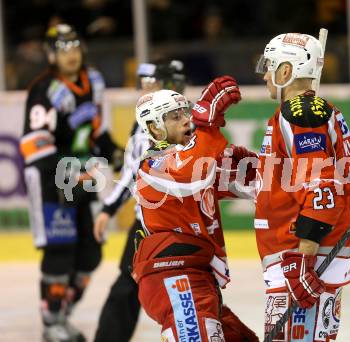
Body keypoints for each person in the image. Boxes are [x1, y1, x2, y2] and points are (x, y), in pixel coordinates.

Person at [253, 32, 350, 341]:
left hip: (304, 256)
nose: (265, 75)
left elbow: (322, 189)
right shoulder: (305, 112)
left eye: (270, 66)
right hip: (310, 254)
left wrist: (304, 260)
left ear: (286, 72)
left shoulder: (301, 114)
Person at [132, 80, 259, 341]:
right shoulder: (152, 167)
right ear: (155, 127)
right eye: (175, 116)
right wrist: (207, 121)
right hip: (173, 277)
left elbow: (260, 186)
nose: (186, 120)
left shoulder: (198, 158)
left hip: (195, 277)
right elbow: (192, 174)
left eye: (187, 113)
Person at [20, 24, 123, 342]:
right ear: (52, 54)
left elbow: (97, 132)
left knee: (91, 254)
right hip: (52, 178)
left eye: (75, 47)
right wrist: (67, 176)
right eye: (63, 49)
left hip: (84, 176)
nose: (71, 54)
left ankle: (64, 315)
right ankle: (52, 323)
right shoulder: (43, 89)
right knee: (60, 252)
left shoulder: (93, 81)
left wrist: (115, 152)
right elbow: (34, 144)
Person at [93, 59, 186, 342]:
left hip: (174, 222)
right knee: (130, 287)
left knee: (188, 289)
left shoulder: (183, 120)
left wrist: (109, 208)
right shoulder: (150, 119)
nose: (146, 91)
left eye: (152, 84)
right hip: (153, 222)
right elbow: (134, 173)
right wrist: (108, 208)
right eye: (144, 85)